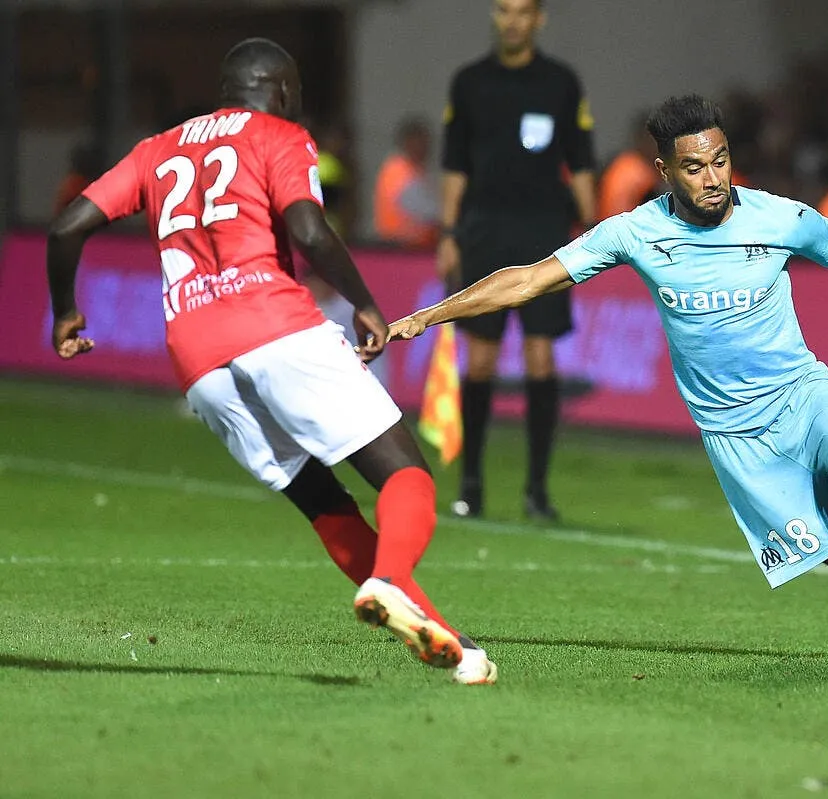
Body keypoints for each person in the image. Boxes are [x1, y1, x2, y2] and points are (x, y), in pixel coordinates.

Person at [387, 95, 828, 655]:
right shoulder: (636, 231)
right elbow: (528, 280)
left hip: (805, 396)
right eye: (694, 166)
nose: (713, 177)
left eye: (721, 160)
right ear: (666, 171)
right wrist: (428, 316)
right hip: (738, 442)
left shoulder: (778, 217)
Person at [44, 38, 496, 686]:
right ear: (281, 90)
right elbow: (309, 230)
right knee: (405, 474)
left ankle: (439, 630)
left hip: (197, 359)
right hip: (276, 326)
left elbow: (66, 227)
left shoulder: (158, 148)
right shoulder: (279, 133)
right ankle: (391, 577)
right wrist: (365, 302)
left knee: (319, 497)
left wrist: (65, 311)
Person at [439, 0, 597, 521]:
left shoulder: (561, 83)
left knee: (540, 358)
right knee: (480, 360)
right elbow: (455, 164)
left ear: (538, 19)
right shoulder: (468, 82)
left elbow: (579, 161)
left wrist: (593, 230)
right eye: (503, 11)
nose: (511, 20)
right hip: (483, 232)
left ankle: (536, 490)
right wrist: (449, 232)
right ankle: (472, 485)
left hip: (544, 232)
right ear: (495, 16)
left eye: (521, 12)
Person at [373, 116, 439, 249]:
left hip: (416, 247)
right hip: (398, 248)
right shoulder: (398, 169)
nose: (426, 147)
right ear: (407, 142)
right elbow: (423, 209)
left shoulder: (417, 170)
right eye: (421, 142)